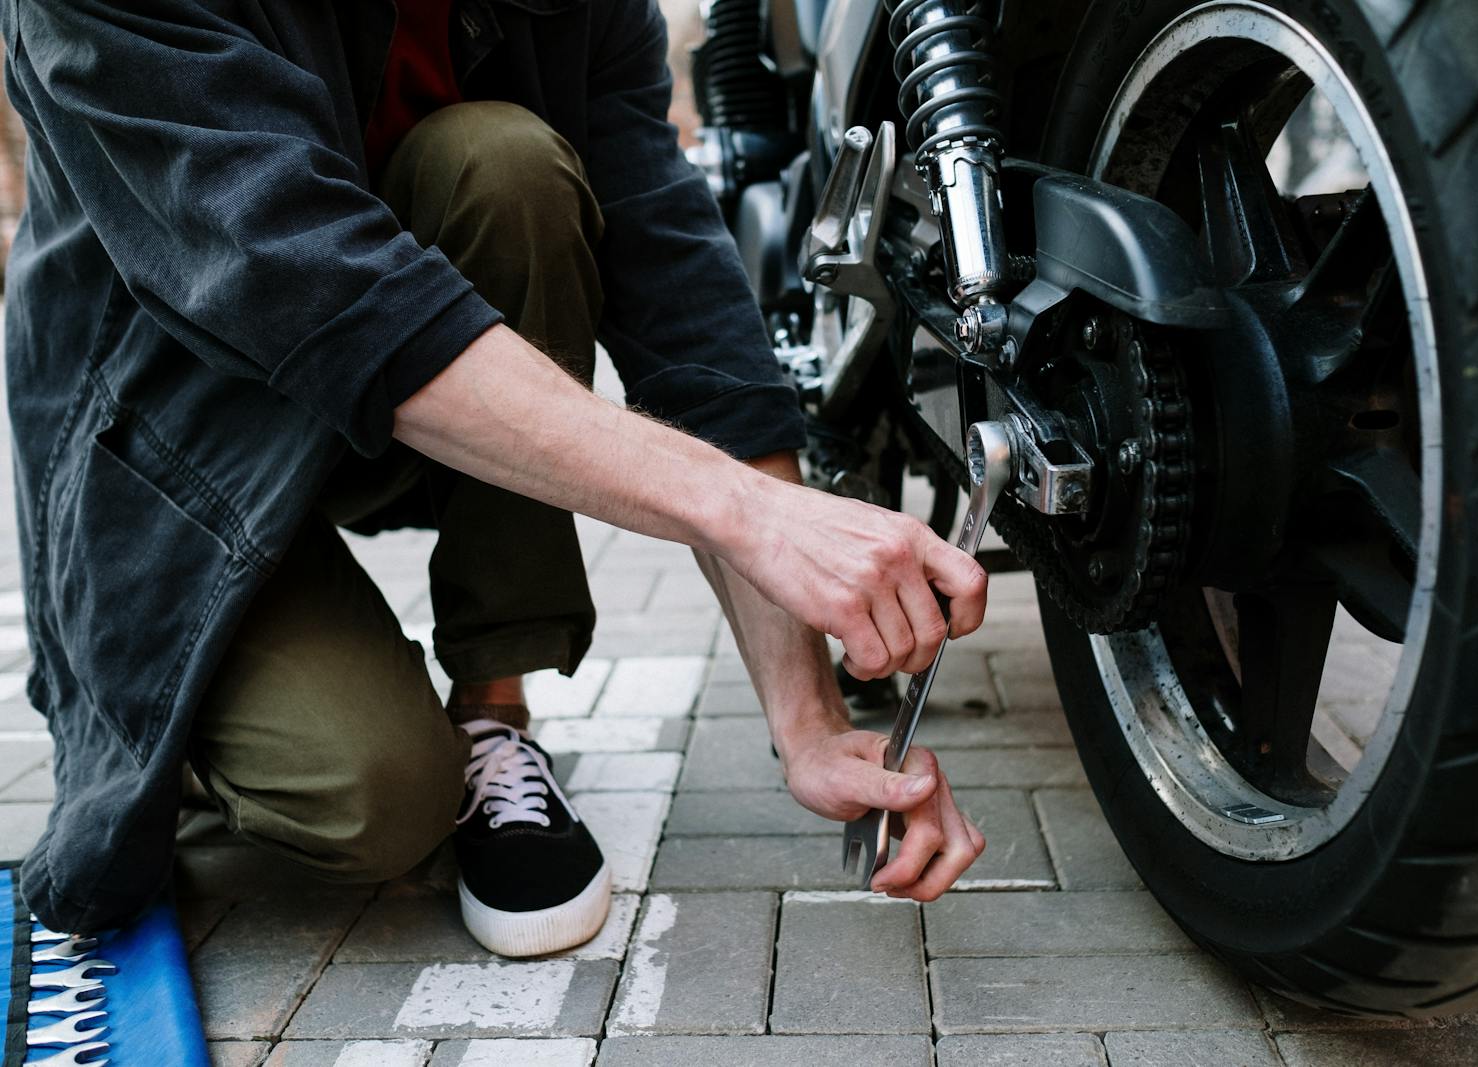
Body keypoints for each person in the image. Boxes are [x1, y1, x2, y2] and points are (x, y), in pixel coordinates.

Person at [0, 0, 990, 953]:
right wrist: (751, 511)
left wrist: (806, 717)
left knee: (507, 166)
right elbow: (313, 285)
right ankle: (189, 730)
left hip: (394, 408)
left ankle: (493, 712)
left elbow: (681, 300)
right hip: (173, 446)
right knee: (373, 796)